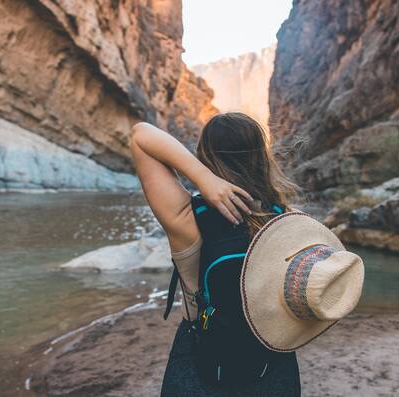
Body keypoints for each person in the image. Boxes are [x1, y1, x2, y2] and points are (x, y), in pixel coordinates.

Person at [129, 112, 304, 396]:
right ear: (262, 156)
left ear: (204, 157)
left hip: (200, 357)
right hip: (273, 358)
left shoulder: (187, 217)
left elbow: (140, 135)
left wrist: (202, 178)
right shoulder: (286, 219)